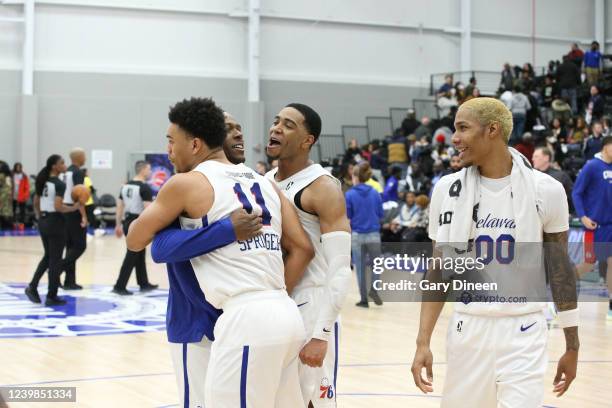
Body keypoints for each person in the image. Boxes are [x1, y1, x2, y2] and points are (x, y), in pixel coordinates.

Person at [127, 98, 313, 407]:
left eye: (172, 142)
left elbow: (135, 239)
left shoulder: (186, 183)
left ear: (196, 144)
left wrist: (224, 231)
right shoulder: (266, 183)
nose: (169, 150)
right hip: (286, 311)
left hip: (245, 317)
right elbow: (302, 247)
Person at [412, 98, 579, 406]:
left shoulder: (547, 190)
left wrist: (572, 345)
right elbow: (438, 270)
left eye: (463, 128)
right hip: (467, 328)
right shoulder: (446, 190)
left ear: (492, 130)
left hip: (524, 329)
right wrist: (423, 341)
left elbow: (560, 271)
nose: (455, 139)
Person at [265, 102, 352, 407]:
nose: (276, 127)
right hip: (275, 304)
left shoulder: (322, 187)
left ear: (307, 140)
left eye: (288, 124)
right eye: (276, 121)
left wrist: (322, 334)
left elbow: (341, 268)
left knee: (314, 402)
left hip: (311, 307)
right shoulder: (264, 182)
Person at [25, 155, 80, 306]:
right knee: (55, 260)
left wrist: (40, 216)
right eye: (62, 163)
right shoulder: (59, 184)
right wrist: (74, 207)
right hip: (56, 222)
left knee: (48, 256)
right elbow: (58, 207)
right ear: (55, 166)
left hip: (43, 221)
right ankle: (51, 296)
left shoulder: (42, 180)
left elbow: (36, 201)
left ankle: (32, 286)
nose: (64, 165)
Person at [572, 136, 612, 320]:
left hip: (610, 225)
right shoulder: (591, 166)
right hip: (594, 226)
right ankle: (563, 284)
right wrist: (583, 216)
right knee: (588, 264)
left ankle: (611, 305)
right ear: (606, 147)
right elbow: (577, 192)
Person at [112, 161, 158, 295]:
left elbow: (119, 206)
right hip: (138, 223)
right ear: (142, 170)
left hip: (127, 221)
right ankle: (119, 286)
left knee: (139, 253)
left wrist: (118, 225)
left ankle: (143, 283)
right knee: (132, 255)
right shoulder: (145, 188)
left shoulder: (125, 186)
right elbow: (148, 210)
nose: (150, 172)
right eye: (149, 169)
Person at [345, 162, 383, 308]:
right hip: (374, 234)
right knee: (376, 266)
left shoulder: (349, 194)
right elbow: (380, 214)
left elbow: (348, 217)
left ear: (355, 176)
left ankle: (364, 300)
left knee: (360, 268)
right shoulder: (375, 192)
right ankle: (374, 290)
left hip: (357, 235)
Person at [60, 148, 88, 289]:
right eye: (84, 156)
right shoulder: (78, 173)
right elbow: (80, 197)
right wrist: (84, 216)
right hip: (74, 211)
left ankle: (69, 281)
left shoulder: (65, 172)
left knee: (70, 246)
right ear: (78, 158)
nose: (86, 158)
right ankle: (58, 269)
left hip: (64, 210)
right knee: (80, 246)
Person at [532, 147, 574, 213]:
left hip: (556, 215)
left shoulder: (561, 176)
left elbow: (572, 196)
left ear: (546, 158)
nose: (533, 159)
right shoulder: (531, 176)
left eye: (536, 156)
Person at [12, 162, 29, 229]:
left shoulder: (24, 175)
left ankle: (22, 224)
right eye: (17, 167)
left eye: (19, 167)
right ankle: (13, 223)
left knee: (22, 211)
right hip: (13, 195)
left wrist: (25, 195)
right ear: (15, 167)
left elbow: (27, 187)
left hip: (22, 196)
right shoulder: (12, 175)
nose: (18, 168)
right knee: (13, 210)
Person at [0, 162, 13, 230]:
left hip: (3, 194)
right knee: (6, 211)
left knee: (3, 210)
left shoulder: (2, 175)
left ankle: (5, 225)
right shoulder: (8, 176)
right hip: (7, 194)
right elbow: (9, 186)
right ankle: (7, 225)